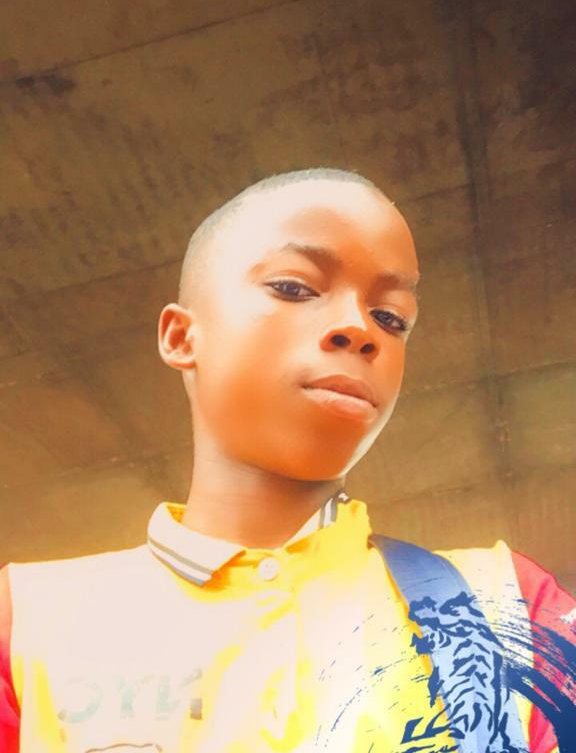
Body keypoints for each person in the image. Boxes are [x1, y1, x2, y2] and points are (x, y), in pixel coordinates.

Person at [0, 168, 574, 752]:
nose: (360, 329)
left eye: (391, 317)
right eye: (295, 288)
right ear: (180, 336)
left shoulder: (509, 605)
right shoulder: (26, 623)